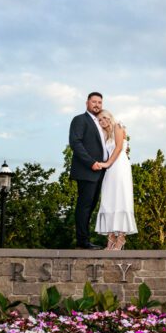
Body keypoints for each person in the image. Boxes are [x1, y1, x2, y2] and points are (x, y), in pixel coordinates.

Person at [69, 92, 108, 249]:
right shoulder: (80, 120)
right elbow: (75, 143)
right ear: (87, 103)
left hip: (100, 172)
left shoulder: (101, 123)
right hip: (87, 170)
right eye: (94, 102)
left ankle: (85, 239)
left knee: (91, 207)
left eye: (99, 102)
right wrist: (91, 163)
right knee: (84, 207)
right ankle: (82, 242)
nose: (97, 105)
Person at [95, 110, 137, 249]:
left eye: (105, 117)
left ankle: (121, 238)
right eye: (100, 120)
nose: (103, 121)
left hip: (120, 166)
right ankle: (111, 237)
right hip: (111, 170)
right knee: (109, 200)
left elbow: (118, 148)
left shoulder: (118, 126)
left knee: (121, 199)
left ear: (110, 117)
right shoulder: (105, 135)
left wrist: (106, 163)